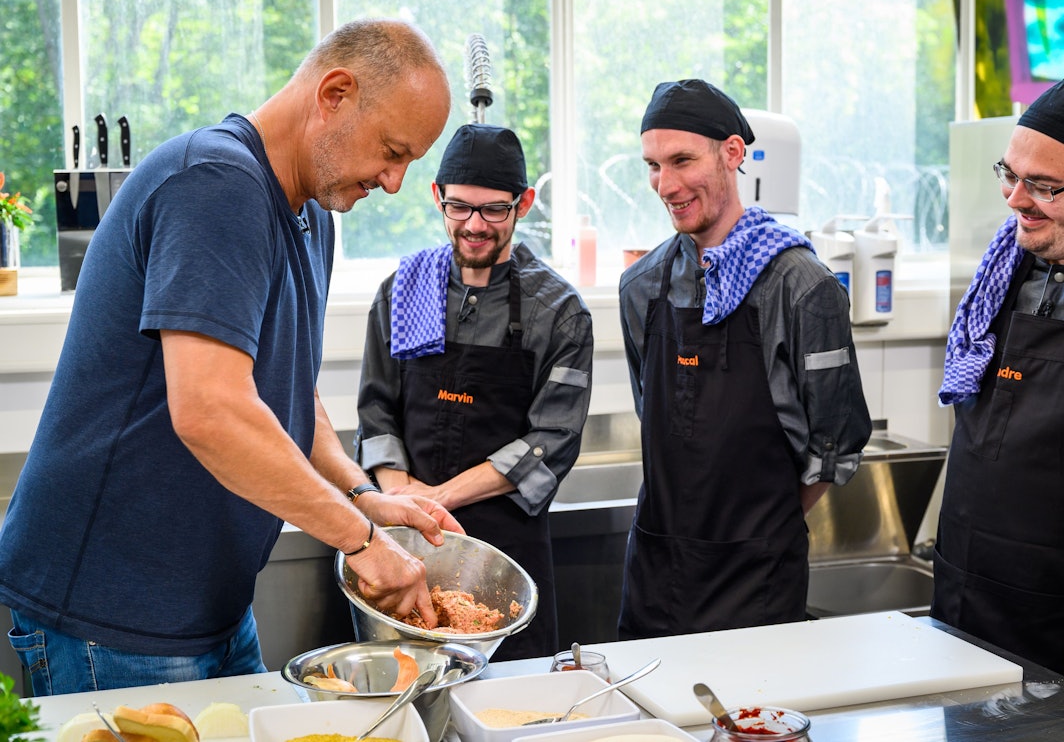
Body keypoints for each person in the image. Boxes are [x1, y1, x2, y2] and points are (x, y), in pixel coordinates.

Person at [0, 18, 464, 696]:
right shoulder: (217, 184)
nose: (394, 183)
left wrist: (364, 496)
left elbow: (284, 395)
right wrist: (360, 544)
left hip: (208, 606)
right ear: (334, 94)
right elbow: (212, 411)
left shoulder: (312, 216)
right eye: (392, 151)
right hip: (114, 614)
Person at [617, 79, 872, 639]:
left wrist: (757, 529)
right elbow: (651, 411)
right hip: (657, 570)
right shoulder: (641, 286)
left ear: (732, 153)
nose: (666, 184)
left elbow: (836, 441)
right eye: (654, 165)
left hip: (756, 576)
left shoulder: (802, 287)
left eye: (682, 160)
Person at [355, 123, 594, 660]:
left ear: (524, 203)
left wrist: (435, 501)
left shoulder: (557, 312)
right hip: (402, 541)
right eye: (460, 207)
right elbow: (375, 411)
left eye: (494, 210)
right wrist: (400, 497)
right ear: (438, 196)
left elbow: (551, 440)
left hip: (504, 553)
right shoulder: (404, 290)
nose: (474, 226)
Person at [934, 79, 1064, 676]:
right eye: (1009, 175)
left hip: (1051, 612)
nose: (1015, 199)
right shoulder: (1002, 269)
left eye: (1042, 186)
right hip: (965, 587)